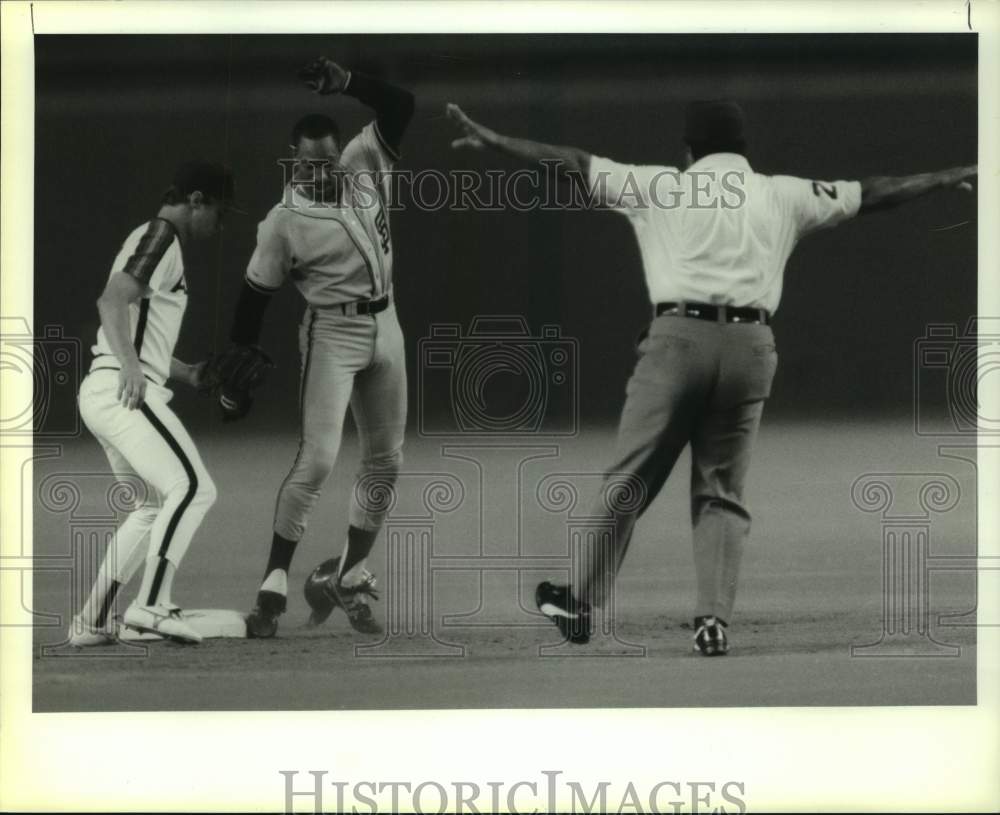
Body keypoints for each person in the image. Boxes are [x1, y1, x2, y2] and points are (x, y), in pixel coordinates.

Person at [446, 99, 977, 654]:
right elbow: (872, 193)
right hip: (751, 347)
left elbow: (573, 161)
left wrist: (497, 139)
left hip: (675, 343)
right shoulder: (782, 193)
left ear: (690, 150)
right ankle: (712, 623)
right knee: (722, 492)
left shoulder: (661, 186)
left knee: (626, 483)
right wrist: (942, 179)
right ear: (743, 150)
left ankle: (578, 603)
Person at [231, 57, 415, 638]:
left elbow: (401, 104)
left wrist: (350, 82)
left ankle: (350, 571)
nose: (320, 169)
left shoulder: (363, 161)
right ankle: (272, 586)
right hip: (332, 333)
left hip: (387, 326)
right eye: (308, 162)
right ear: (294, 160)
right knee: (317, 461)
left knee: (387, 461)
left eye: (327, 159)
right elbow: (253, 296)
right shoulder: (284, 220)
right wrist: (238, 370)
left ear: (341, 152)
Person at [70, 161, 243, 646]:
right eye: (220, 211)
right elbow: (111, 301)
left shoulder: (156, 239)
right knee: (192, 488)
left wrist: (186, 372)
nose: (221, 223)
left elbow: (138, 322)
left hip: (109, 389)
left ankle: (92, 621)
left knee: (149, 505)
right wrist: (130, 366)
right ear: (195, 200)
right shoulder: (162, 236)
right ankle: (151, 604)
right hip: (121, 388)